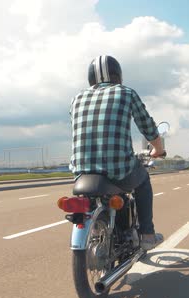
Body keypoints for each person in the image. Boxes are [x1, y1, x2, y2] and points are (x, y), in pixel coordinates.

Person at [69, 55, 165, 250]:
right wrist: (158, 149)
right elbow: (147, 127)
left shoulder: (77, 98)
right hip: (117, 169)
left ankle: (98, 229)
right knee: (143, 181)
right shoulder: (127, 93)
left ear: (91, 79)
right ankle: (147, 234)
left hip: (81, 171)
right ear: (118, 76)